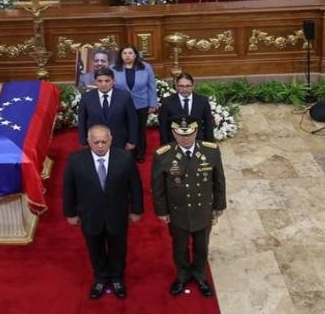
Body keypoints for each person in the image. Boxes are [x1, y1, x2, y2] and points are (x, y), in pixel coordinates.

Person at [62, 124, 143, 300]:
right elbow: (69, 189)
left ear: (111, 140)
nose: (100, 146)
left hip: (118, 214)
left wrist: (136, 210)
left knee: (118, 249)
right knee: (95, 249)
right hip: (90, 216)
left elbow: (135, 187)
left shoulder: (124, 158)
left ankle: (117, 278)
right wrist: (70, 213)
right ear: (88, 141)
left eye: (103, 141)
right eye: (96, 142)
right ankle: (100, 277)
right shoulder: (75, 160)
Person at [152, 120, 226, 296]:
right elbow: (158, 187)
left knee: (202, 246)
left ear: (196, 132)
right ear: (174, 134)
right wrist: (162, 211)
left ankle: (200, 274)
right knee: (180, 247)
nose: (185, 138)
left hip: (203, 210)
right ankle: (183, 274)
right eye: (181, 134)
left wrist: (219, 205)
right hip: (178, 211)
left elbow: (219, 181)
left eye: (189, 134)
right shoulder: (163, 155)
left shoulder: (211, 151)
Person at [112, 45, 158, 162]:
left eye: (130, 53)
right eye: (125, 53)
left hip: (141, 104)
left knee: (139, 129)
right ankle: (126, 153)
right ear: (120, 55)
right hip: (122, 104)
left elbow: (151, 86)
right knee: (124, 128)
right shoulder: (113, 68)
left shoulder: (145, 67)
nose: (127, 56)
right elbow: (110, 86)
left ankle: (140, 153)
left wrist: (153, 103)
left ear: (135, 55)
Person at [77, 67, 138, 151]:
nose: (103, 84)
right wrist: (83, 141)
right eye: (100, 81)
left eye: (107, 81)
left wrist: (131, 141)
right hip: (96, 143)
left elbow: (132, 120)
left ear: (113, 82)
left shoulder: (125, 97)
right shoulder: (86, 98)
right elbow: (82, 121)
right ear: (95, 82)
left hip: (119, 142)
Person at [159, 72, 216, 144]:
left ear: (193, 86)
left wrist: (209, 145)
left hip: (198, 142)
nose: (185, 89)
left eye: (188, 86)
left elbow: (208, 124)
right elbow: (163, 126)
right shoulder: (167, 102)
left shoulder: (202, 101)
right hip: (175, 143)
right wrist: (165, 146)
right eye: (181, 86)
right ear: (176, 86)